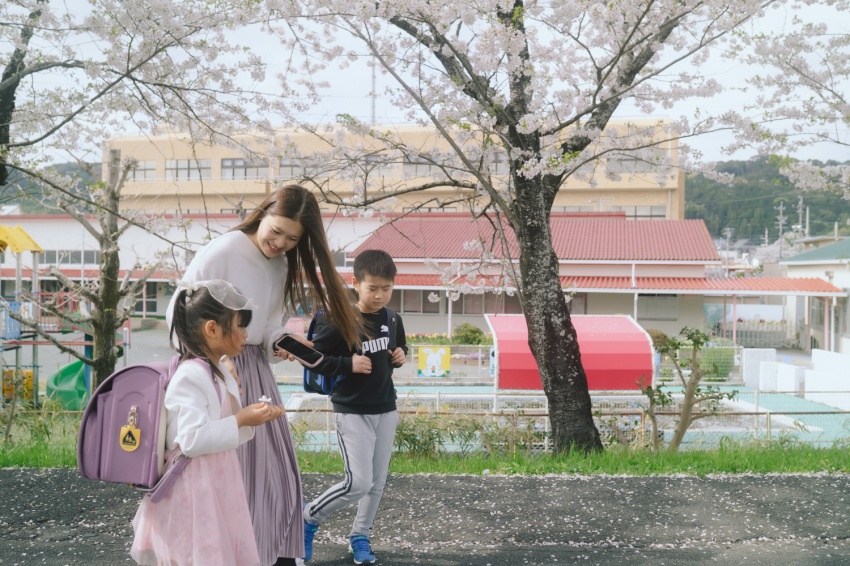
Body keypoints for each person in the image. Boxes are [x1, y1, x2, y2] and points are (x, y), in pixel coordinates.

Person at [166, 185, 362, 566]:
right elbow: (180, 314)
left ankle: (270, 553)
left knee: (275, 476)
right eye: (276, 230)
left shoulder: (282, 264)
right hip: (215, 369)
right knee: (230, 474)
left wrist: (281, 343)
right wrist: (215, 366)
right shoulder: (224, 250)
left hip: (253, 368)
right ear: (263, 213)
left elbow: (269, 325)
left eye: (292, 239)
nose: (280, 243)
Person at [131, 280, 285, 566]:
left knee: (216, 548)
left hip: (214, 478)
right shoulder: (190, 375)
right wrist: (240, 419)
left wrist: (249, 418)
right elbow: (191, 440)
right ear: (212, 329)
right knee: (200, 552)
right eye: (239, 326)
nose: (245, 334)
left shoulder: (213, 370)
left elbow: (218, 424)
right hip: (193, 486)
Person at [302, 249, 407, 565]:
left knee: (376, 483)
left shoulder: (392, 318)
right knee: (358, 483)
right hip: (352, 411)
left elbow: (398, 349)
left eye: (386, 288)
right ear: (356, 283)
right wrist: (347, 364)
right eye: (372, 287)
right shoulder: (342, 320)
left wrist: (401, 356)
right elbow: (314, 359)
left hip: (386, 409)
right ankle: (308, 518)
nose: (379, 295)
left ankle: (360, 536)